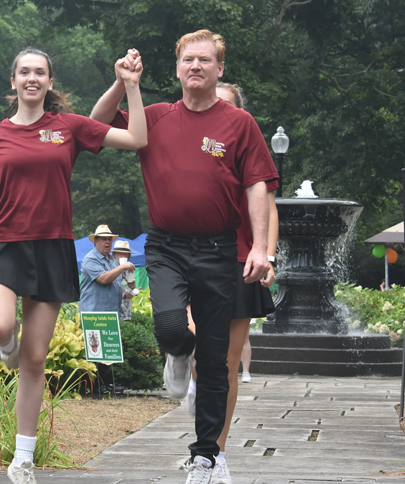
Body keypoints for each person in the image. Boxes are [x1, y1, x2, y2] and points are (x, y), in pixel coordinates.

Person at [90, 30, 278, 484]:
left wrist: (258, 247)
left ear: (219, 69)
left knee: (216, 361)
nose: (196, 66)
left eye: (205, 60)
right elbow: (95, 124)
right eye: (188, 60)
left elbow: (258, 186)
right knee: (173, 327)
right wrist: (122, 82)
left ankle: (206, 458)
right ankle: (177, 353)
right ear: (177, 69)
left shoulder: (239, 123)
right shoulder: (152, 116)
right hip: (167, 245)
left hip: (218, 250)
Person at [0, 47, 147, 484]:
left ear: (49, 82)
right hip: (2, 247)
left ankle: (22, 458)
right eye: (24, 72)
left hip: (50, 249)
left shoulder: (68, 127)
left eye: (39, 72)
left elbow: (137, 138)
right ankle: (5, 343)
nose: (32, 78)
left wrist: (132, 86)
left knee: (36, 357)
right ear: (13, 82)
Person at [184, 82, 279, 484]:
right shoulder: (187, 147)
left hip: (240, 259)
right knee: (188, 339)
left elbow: (270, 210)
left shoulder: (247, 145)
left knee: (225, 365)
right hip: (190, 256)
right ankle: (192, 378)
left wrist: (267, 255)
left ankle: (216, 454)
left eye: (224, 107)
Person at [79, 225, 136, 314]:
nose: (107, 242)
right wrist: (122, 267)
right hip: (94, 315)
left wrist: (130, 286)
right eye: (104, 239)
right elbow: (103, 279)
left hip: (112, 314)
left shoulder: (113, 261)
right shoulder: (90, 258)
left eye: (109, 239)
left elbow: (118, 288)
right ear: (95, 241)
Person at [111, 239, 140, 320]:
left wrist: (132, 290)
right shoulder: (110, 270)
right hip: (114, 314)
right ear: (114, 255)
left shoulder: (129, 271)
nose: (122, 256)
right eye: (120, 254)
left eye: (125, 254)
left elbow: (127, 294)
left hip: (126, 313)